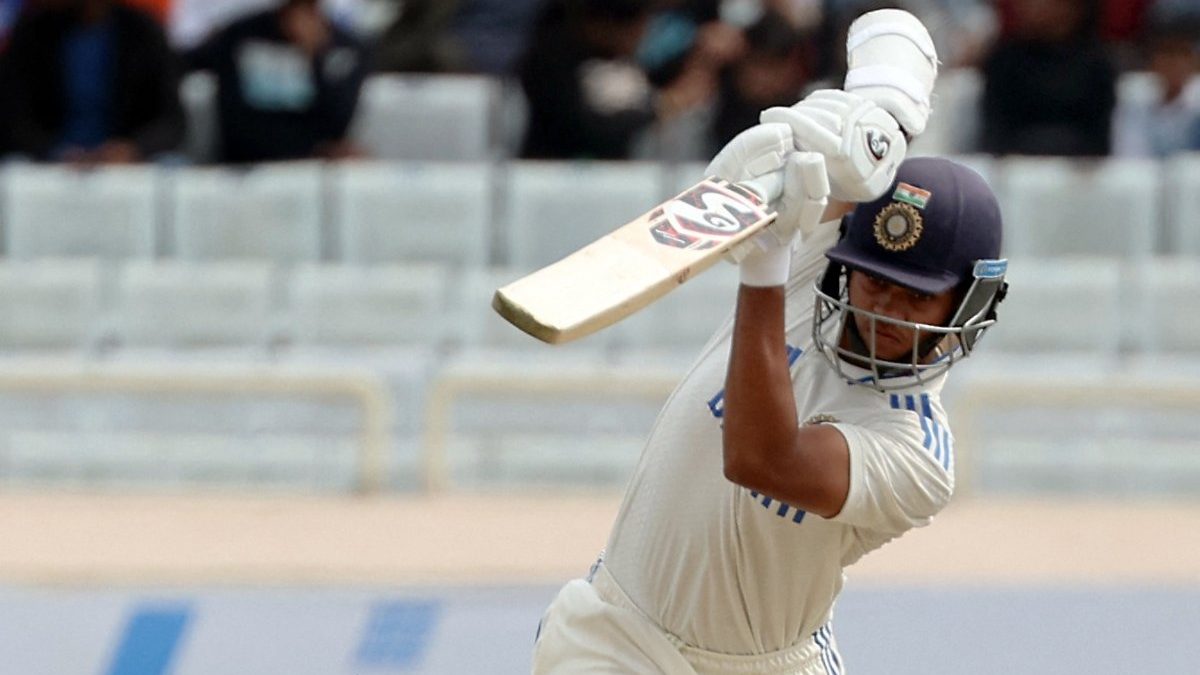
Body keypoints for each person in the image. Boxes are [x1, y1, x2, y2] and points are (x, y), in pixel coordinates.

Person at [532, 10, 1011, 673]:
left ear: (968, 303)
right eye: (876, 280)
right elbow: (890, 30)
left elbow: (762, 458)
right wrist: (873, 115)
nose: (884, 308)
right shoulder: (824, 265)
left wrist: (764, 263)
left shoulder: (917, 453)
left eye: (915, 293)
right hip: (617, 635)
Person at [0, 0, 184, 163]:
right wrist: (54, 151)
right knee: (14, 165)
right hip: (48, 161)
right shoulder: (34, 32)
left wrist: (133, 149)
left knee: (172, 165)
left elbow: (171, 122)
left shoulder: (144, 32)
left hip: (128, 162)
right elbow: (15, 117)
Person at [186, 0, 368, 164]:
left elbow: (337, 124)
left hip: (312, 167)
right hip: (245, 167)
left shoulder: (345, 49)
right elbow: (236, 124)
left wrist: (316, 57)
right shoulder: (240, 37)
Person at [980, 0, 1117, 157]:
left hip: (1079, 171)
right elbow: (994, 134)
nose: (1032, 6)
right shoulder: (1003, 61)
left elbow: (1100, 140)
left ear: (1074, 8)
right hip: (1016, 169)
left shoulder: (1097, 65)